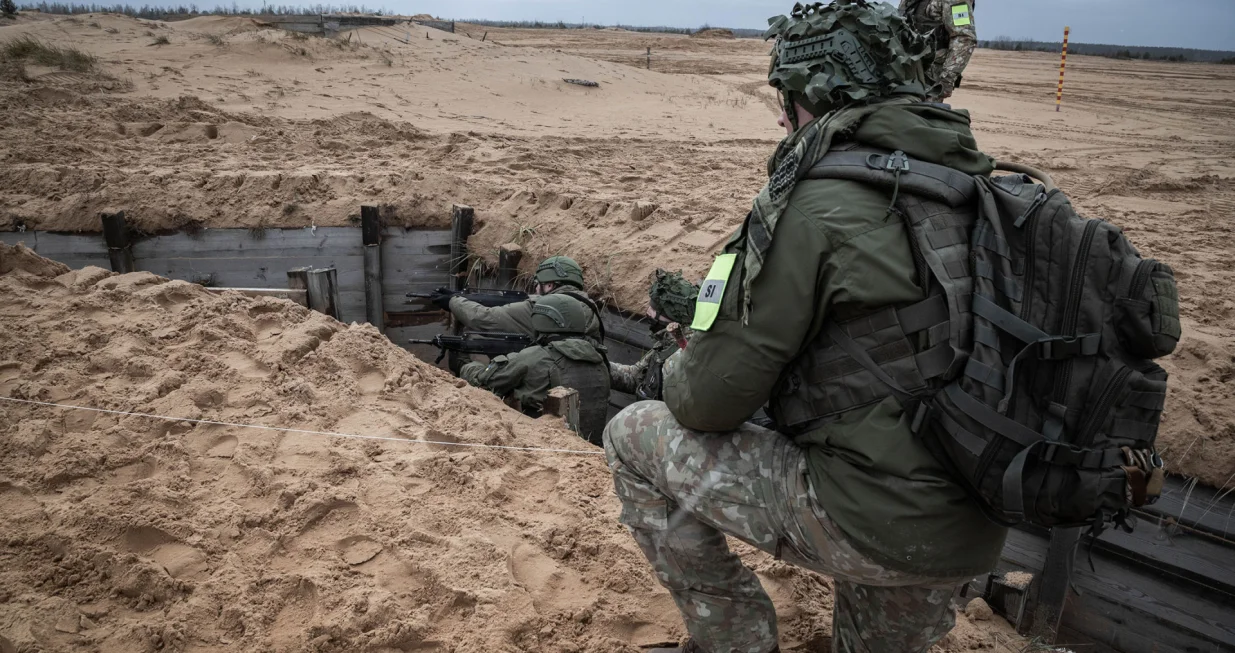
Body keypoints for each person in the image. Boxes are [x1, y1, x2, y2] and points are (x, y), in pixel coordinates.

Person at [603, 2, 1007, 652]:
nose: (780, 116)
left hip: (873, 516)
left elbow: (706, 401)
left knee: (630, 438)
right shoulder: (974, 186)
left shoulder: (811, 202)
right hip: (977, 519)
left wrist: (686, 357)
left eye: (784, 98)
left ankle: (734, 638)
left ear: (811, 95)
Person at [458, 294, 611, 445]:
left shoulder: (536, 357)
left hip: (546, 447)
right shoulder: (599, 360)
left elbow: (486, 378)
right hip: (591, 449)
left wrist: (466, 365)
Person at [429, 255, 604, 342]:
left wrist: (453, 302)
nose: (536, 287)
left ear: (550, 285)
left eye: (539, 283)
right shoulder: (590, 306)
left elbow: (485, 319)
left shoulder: (541, 308)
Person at [609, 269, 698, 401]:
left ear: (670, 315)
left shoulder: (688, 351)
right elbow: (634, 377)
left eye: (654, 308)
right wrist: (601, 365)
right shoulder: (665, 344)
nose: (647, 312)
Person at [900, 0, 976, 100]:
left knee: (923, 113)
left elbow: (964, 38)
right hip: (905, 71)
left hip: (931, 78)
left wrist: (946, 79)